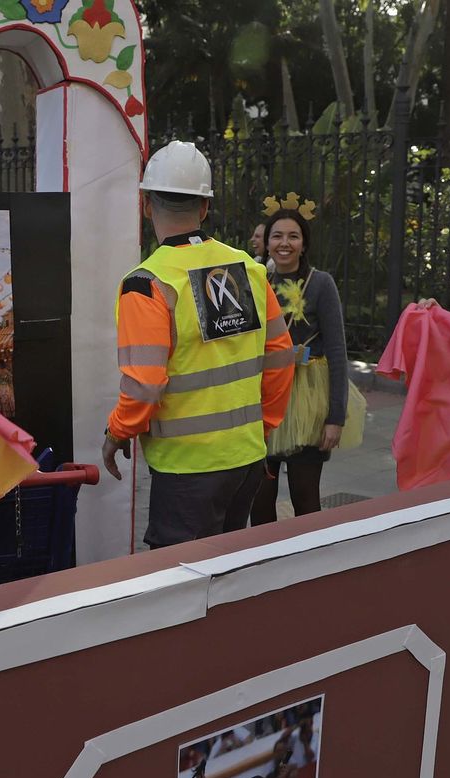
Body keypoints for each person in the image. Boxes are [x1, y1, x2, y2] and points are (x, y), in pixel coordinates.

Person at [100, 140, 295, 548]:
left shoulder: (148, 284)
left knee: (181, 585)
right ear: (205, 208)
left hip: (187, 469)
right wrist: (264, 426)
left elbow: (145, 384)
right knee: (224, 572)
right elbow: (280, 357)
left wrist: (117, 432)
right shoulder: (248, 269)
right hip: (246, 458)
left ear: (147, 205)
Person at [250, 205, 351, 523]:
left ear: (304, 244)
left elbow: (337, 351)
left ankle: (311, 565)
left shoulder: (321, 284)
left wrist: (335, 418)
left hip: (309, 399)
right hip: (264, 396)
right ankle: (263, 564)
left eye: (293, 236)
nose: (284, 243)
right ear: (266, 243)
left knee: (305, 497)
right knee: (258, 498)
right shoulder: (256, 280)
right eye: (277, 235)